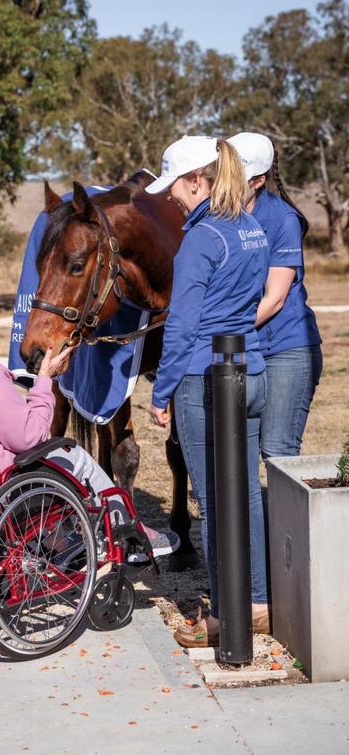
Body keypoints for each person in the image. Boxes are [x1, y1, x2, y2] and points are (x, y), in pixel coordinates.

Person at [0, 283, 180, 560]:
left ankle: (66, 540)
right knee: (74, 455)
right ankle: (126, 526)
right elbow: (28, 438)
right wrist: (44, 382)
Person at [145, 136, 271, 647]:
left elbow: (180, 326)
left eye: (175, 185)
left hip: (205, 378)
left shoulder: (201, 239)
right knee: (244, 494)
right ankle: (258, 601)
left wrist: (161, 392)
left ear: (198, 179)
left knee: (214, 501)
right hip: (252, 367)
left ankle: (223, 615)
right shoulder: (252, 228)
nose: (171, 197)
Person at [229, 132, 323, 458]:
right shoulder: (221, 219)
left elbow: (275, 298)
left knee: (276, 450)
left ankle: (287, 511)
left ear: (257, 180)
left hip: (287, 349)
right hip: (244, 347)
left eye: (230, 175)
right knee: (238, 454)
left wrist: (222, 331)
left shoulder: (283, 219)